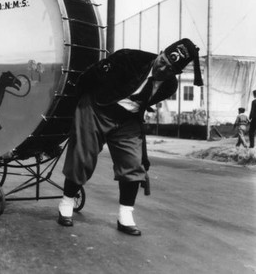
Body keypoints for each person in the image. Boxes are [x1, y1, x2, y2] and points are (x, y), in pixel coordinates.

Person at [57, 38, 204, 236]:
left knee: (134, 163)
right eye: (163, 60)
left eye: (169, 69)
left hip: (128, 119)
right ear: (160, 53)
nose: (162, 68)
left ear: (175, 73)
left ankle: (125, 215)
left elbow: (145, 102)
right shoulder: (129, 58)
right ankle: (66, 203)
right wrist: (75, 108)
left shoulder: (170, 86)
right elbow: (89, 77)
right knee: (83, 156)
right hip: (97, 107)